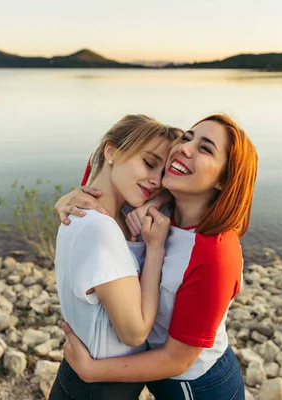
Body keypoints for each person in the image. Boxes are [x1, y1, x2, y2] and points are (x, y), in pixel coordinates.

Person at [55, 114, 258, 400]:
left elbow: (178, 359)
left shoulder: (215, 254)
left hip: (194, 386)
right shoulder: (156, 204)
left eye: (205, 148)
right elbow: (105, 173)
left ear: (224, 180)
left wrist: (92, 372)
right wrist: (67, 200)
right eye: (188, 137)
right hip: (147, 372)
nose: (186, 148)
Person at [49, 114, 182, 399]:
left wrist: (157, 200)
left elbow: (192, 189)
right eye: (148, 163)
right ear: (112, 151)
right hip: (99, 388)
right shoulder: (100, 228)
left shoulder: (107, 213)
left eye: (163, 174)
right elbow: (134, 333)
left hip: (88, 378)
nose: (156, 181)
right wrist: (155, 248)